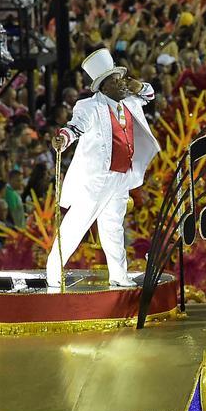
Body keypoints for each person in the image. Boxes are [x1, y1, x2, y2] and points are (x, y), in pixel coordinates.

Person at [47, 48, 160, 288]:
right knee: (76, 225)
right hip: (96, 180)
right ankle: (53, 271)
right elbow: (74, 128)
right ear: (104, 86)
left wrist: (138, 86)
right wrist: (63, 139)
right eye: (116, 81)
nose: (122, 84)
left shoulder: (129, 100)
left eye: (121, 79)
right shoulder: (88, 107)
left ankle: (119, 275)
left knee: (113, 228)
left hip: (121, 177)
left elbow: (150, 94)